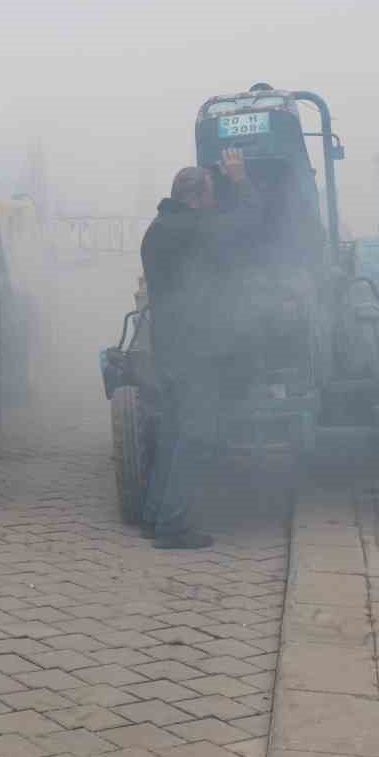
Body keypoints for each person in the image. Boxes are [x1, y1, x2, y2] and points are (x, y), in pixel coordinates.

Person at [137, 149, 262, 550]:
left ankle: (155, 514)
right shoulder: (194, 228)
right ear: (195, 198)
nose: (213, 201)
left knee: (174, 432)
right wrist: (240, 180)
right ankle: (173, 525)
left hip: (169, 346)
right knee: (198, 433)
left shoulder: (158, 228)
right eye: (210, 194)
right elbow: (250, 223)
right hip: (197, 349)